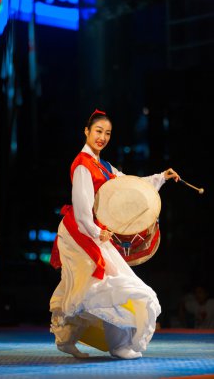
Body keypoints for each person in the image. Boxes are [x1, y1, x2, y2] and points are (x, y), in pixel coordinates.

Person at [49, 109, 180, 359]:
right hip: (81, 233)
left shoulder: (104, 166)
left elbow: (130, 188)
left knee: (86, 287)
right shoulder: (83, 166)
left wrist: (161, 177)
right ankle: (118, 346)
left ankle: (68, 338)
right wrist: (98, 232)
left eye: (107, 133)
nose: (103, 137)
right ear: (86, 132)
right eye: (98, 131)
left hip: (92, 232)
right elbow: (82, 210)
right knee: (108, 284)